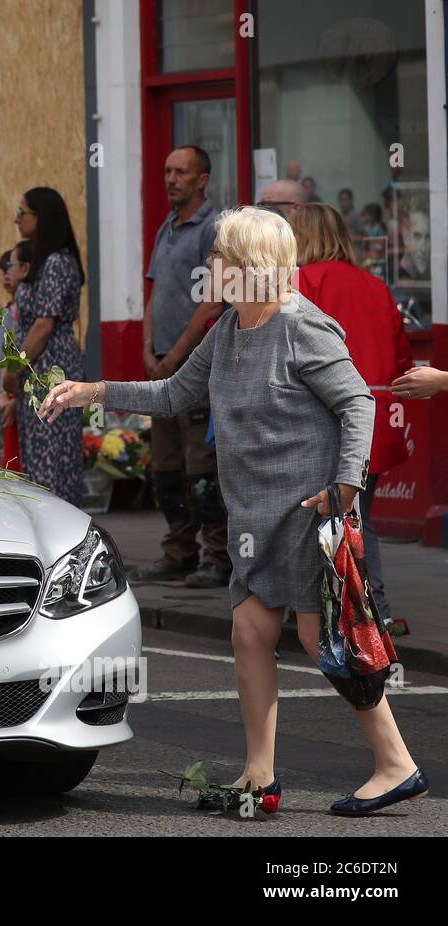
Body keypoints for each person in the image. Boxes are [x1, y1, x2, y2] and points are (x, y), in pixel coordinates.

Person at [40, 206, 427, 817]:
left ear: (249, 268)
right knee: (249, 634)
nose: (209, 265)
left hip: (308, 510)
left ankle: (395, 763)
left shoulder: (305, 328)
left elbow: (359, 404)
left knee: (316, 636)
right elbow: (173, 394)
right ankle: (258, 774)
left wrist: (346, 489)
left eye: (219, 256)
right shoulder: (227, 329)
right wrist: (94, 391)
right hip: (254, 515)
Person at [290, 203, 412, 633]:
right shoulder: (377, 286)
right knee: (358, 517)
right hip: (374, 419)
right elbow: (401, 359)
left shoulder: (301, 281)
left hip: (322, 422)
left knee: (322, 521)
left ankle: (360, 612)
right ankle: (371, 611)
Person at [137, 145, 230, 588]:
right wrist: (149, 349)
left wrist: (175, 357)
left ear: (202, 179)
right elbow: (155, 294)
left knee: (202, 466)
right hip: (163, 369)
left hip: (196, 368)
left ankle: (218, 556)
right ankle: (179, 551)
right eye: (167, 171)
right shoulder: (167, 228)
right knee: (167, 467)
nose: (171, 178)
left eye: (181, 172)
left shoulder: (212, 229)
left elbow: (213, 302)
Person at [0, 186, 84, 503]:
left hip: (50, 367)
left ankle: (61, 536)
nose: (16, 219)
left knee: (52, 456)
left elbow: (43, 325)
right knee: (38, 454)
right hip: (38, 367)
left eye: (23, 213)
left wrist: (13, 368)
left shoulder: (56, 263)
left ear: (42, 217)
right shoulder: (43, 260)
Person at [0, 247, 25, 470]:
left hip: (12, 398)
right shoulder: (5, 313)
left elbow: (15, 354)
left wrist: (11, 395)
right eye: (2, 270)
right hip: (0, 399)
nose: (6, 275)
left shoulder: (21, 313)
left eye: (10, 269)